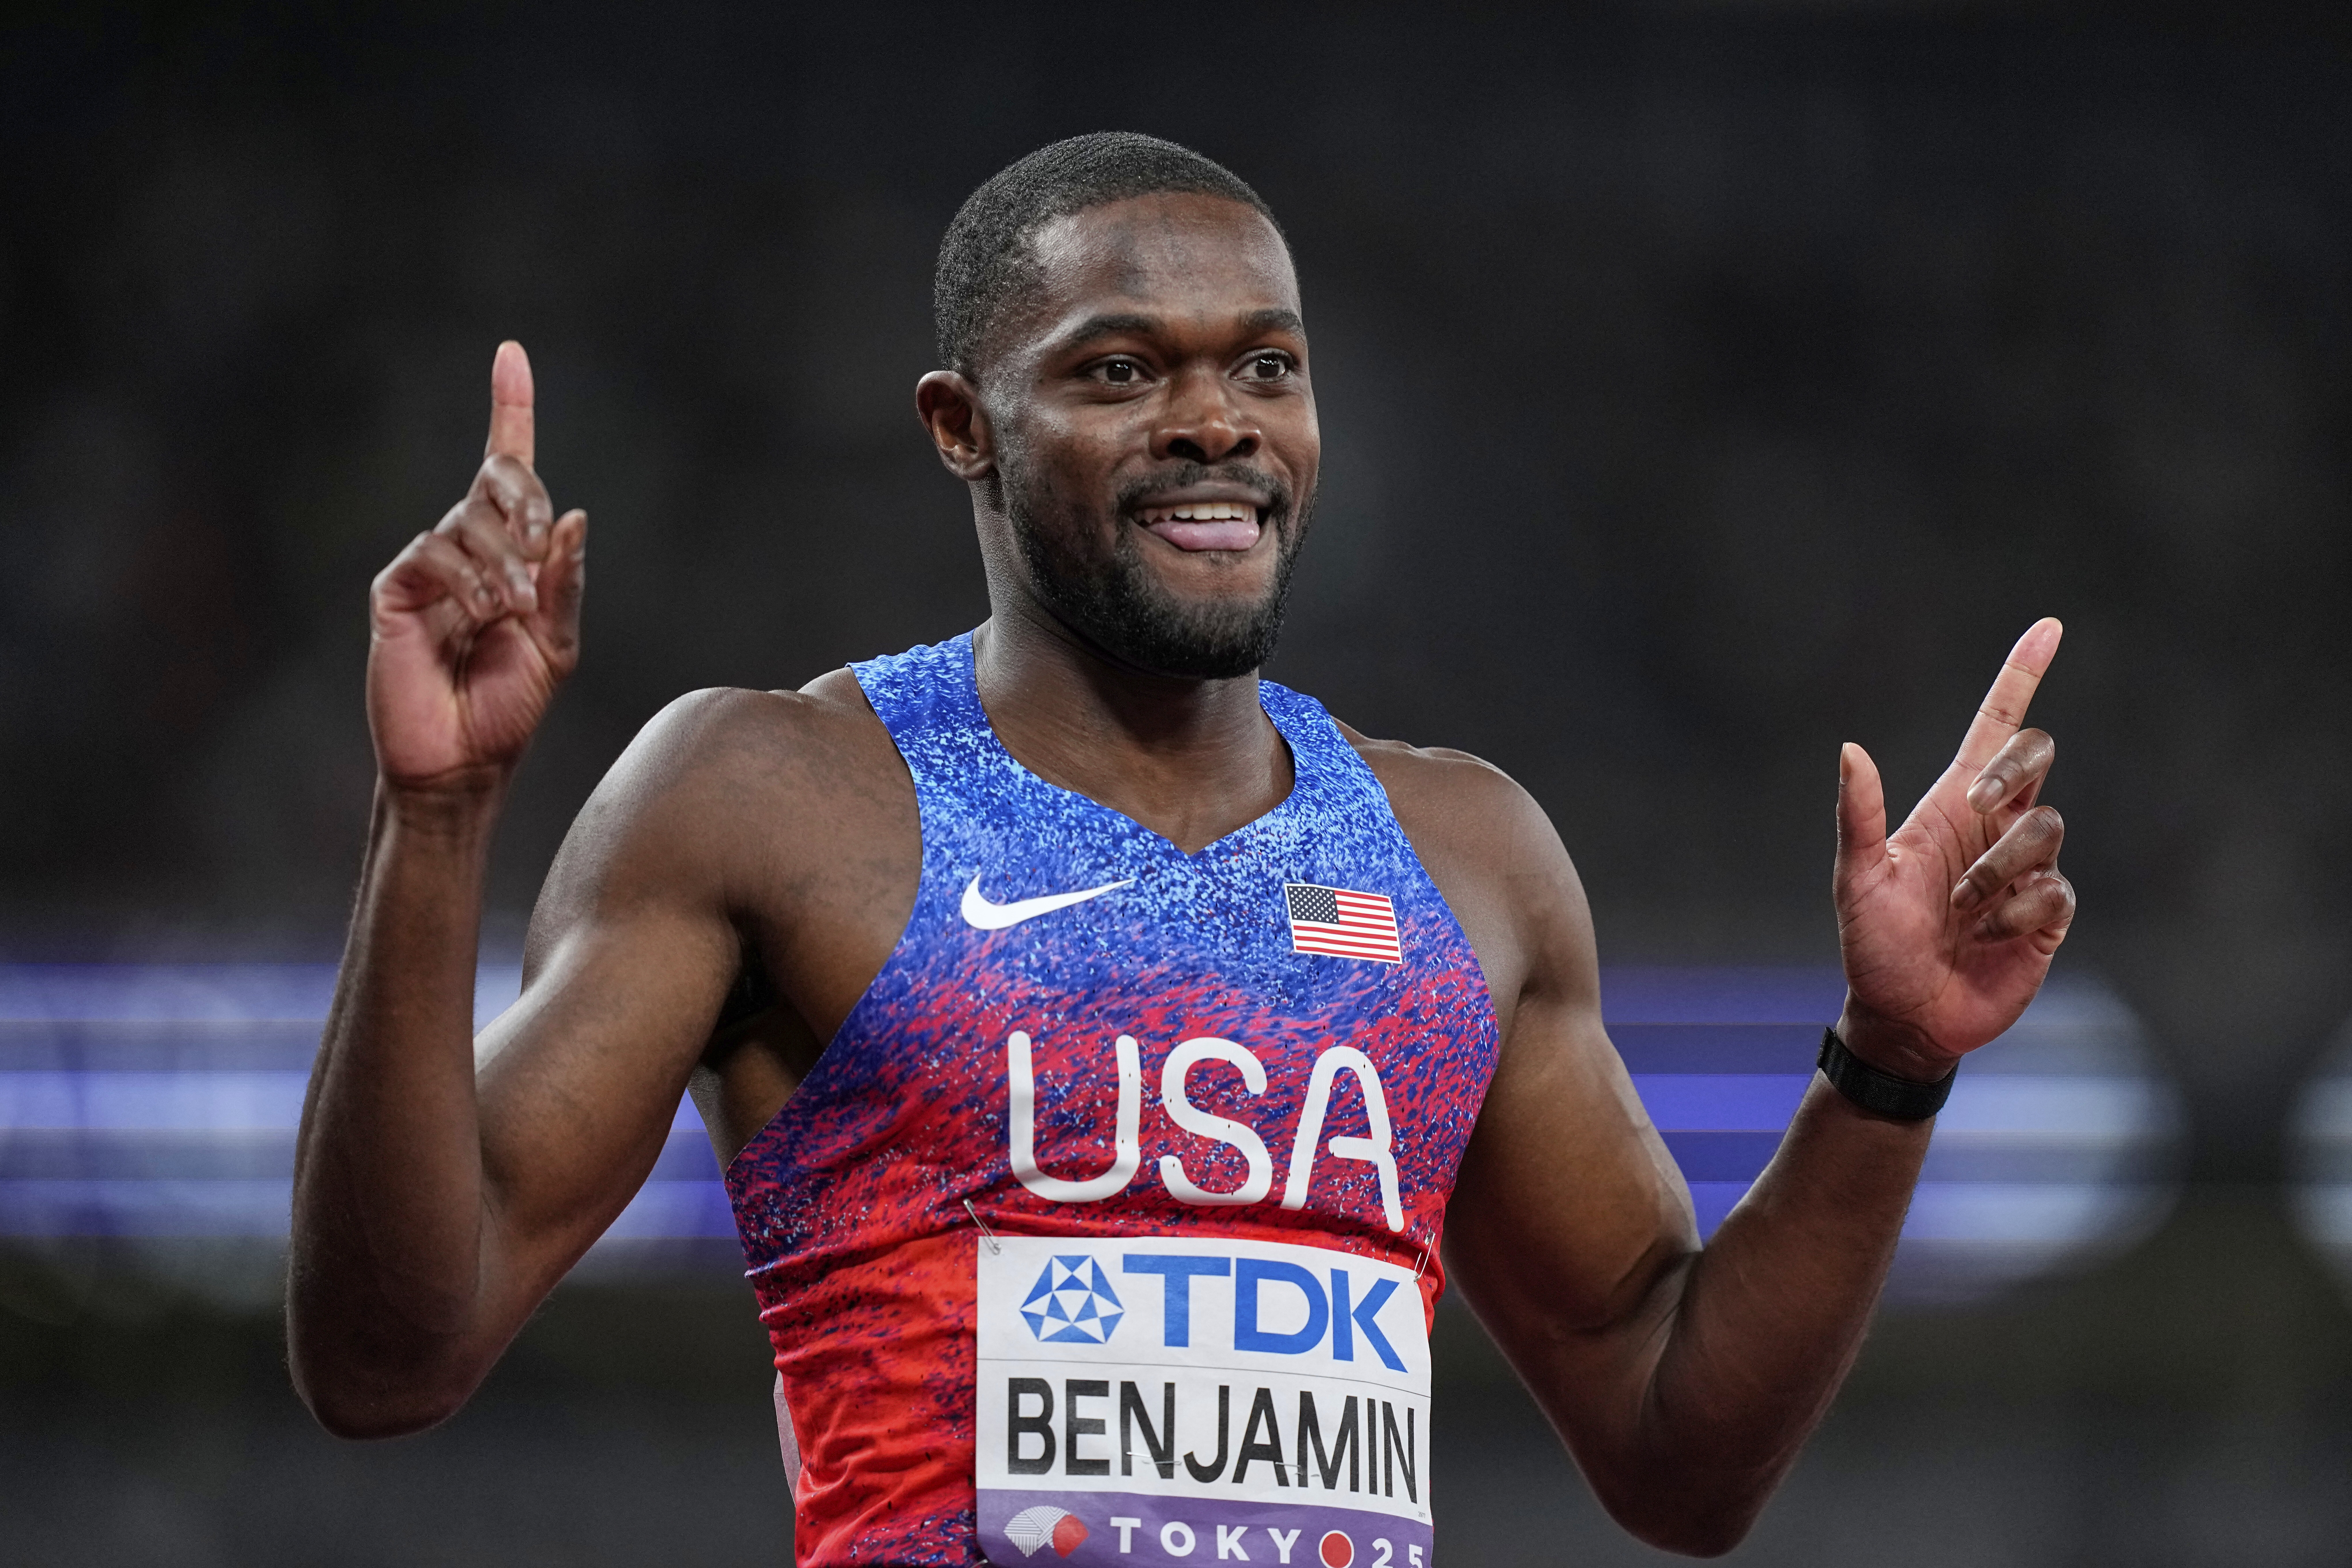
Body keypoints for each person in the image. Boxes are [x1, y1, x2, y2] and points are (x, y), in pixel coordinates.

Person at [288, 133, 2075, 1564]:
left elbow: (1678, 1452)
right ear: (961, 427)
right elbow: (388, 1354)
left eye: (1266, 368)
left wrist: (1890, 1063)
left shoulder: (1465, 856)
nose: (1216, 420)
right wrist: (436, 816)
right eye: (1123, 368)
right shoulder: (771, 796)